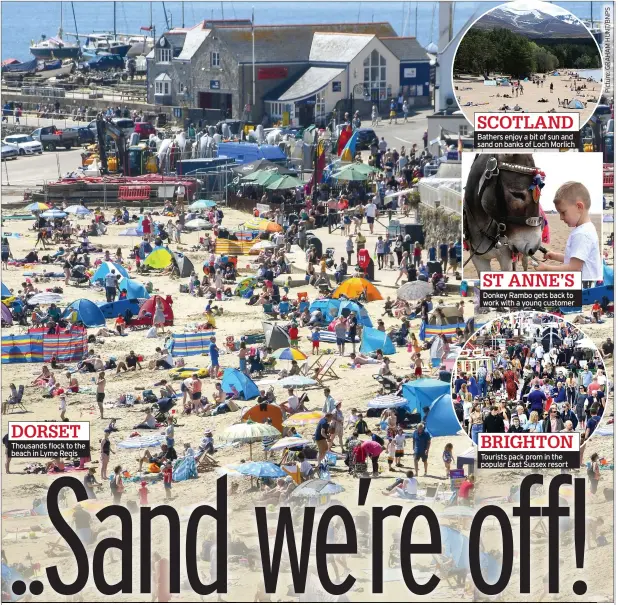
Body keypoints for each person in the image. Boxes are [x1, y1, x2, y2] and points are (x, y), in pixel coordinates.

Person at [536, 182, 601, 284]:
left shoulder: (582, 234)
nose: (561, 218)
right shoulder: (586, 228)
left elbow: (574, 268)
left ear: (579, 207)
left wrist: (547, 269)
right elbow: (575, 259)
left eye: (563, 212)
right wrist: (555, 256)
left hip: (584, 288)